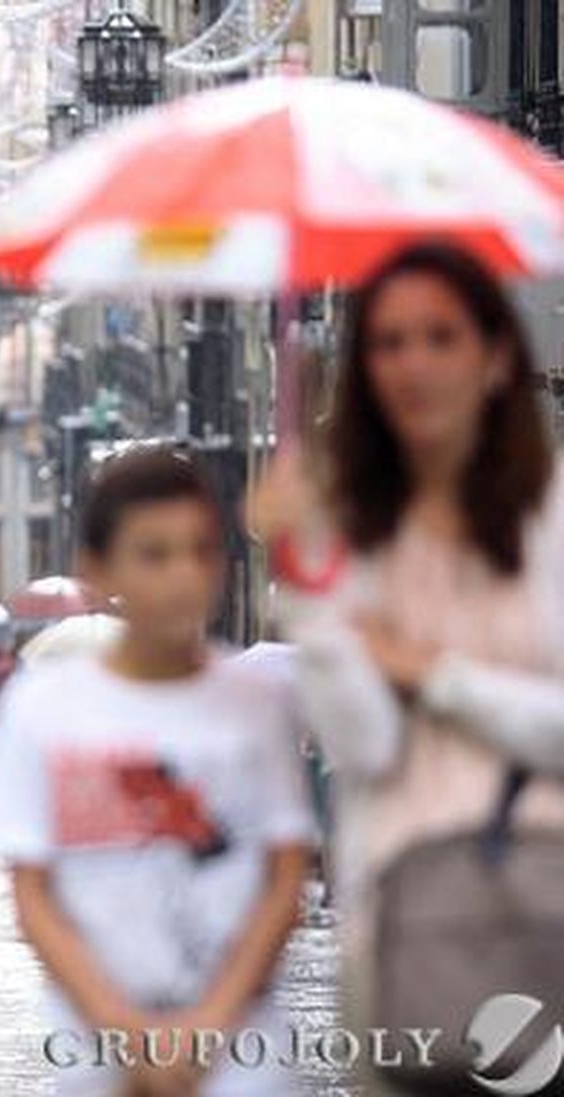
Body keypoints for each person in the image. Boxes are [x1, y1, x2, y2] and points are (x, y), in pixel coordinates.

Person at [248, 243, 564, 1091]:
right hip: (398, 929)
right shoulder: (363, 537)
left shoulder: (549, 521)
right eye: (388, 343)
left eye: (440, 336)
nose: (412, 364)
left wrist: (436, 675)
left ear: (495, 356)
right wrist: (311, 585)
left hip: (545, 912)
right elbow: (365, 744)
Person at [0, 448, 315, 1096]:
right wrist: (127, 1030)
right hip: (101, 1056)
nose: (184, 575)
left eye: (201, 550)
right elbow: (33, 894)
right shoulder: (40, 709)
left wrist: (211, 1022)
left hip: (240, 1058)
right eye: (155, 553)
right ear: (98, 567)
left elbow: (285, 880)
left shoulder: (255, 703)